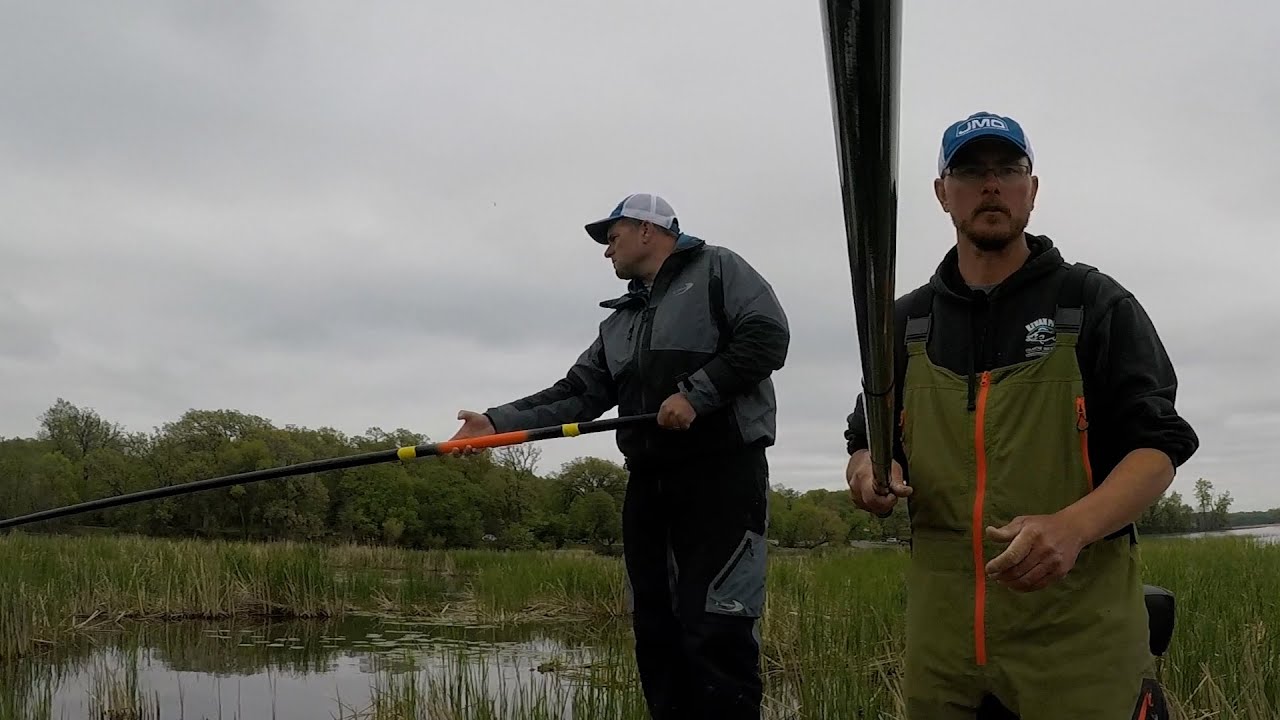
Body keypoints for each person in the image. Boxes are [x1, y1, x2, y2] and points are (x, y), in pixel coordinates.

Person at [843, 112, 1199, 719]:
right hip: (941, 647)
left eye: (1008, 170)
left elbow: (1158, 448)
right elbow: (865, 440)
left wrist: (1073, 527)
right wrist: (866, 472)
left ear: (1031, 190)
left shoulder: (1092, 304)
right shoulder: (903, 324)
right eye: (970, 171)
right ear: (941, 193)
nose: (991, 185)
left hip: (1078, 644)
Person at [449, 192, 790, 719]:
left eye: (612, 237)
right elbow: (578, 391)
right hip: (649, 487)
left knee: (717, 631)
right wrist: (495, 423)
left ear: (647, 230)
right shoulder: (619, 322)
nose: (606, 251)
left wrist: (696, 394)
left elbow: (767, 336)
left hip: (722, 478)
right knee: (656, 634)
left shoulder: (719, 268)